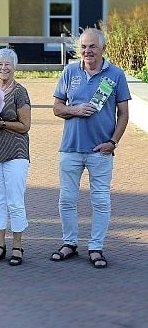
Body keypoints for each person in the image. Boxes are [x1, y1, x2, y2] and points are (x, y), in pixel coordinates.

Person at [51, 28, 131, 268]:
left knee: (101, 201)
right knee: (67, 199)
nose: (87, 51)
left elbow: (124, 114)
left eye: (92, 46)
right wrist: (75, 110)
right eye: (84, 47)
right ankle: (70, 244)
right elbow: (56, 107)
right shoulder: (69, 71)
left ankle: (96, 247)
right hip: (70, 148)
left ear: (102, 48)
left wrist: (113, 142)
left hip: (100, 151)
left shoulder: (116, 75)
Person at [0, 48, 31, 266]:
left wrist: (0, 123)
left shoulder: (19, 92)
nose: (4, 68)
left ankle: (17, 246)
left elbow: (25, 125)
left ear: (14, 67)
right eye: (0, 64)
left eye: (8, 64)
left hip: (15, 151)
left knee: (15, 201)